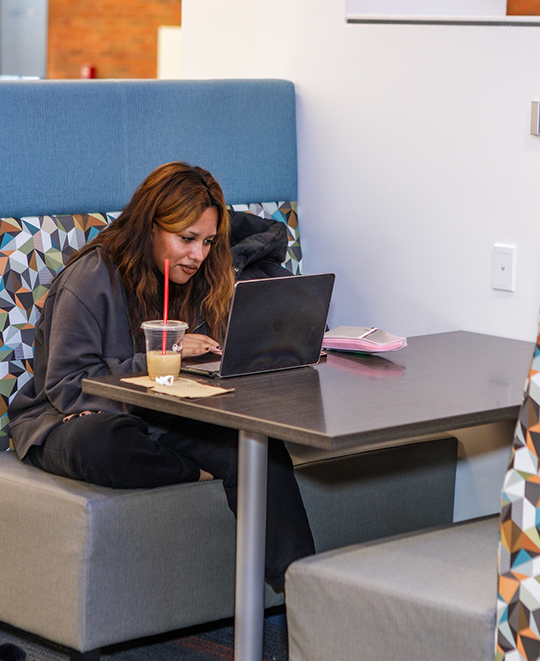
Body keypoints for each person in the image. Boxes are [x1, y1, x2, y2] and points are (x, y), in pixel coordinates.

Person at [7, 161, 314, 589]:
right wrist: (159, 357)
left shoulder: (202, 275)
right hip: (63, 418)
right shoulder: (91, 278)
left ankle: (304, 595)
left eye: (208, 241)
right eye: (187, 239)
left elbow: (206, 368)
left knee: (256, 450)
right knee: (105, 442)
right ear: (149, 226)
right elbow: (68, 385)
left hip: (165, 415)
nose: (198, 255)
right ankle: (194, 471)